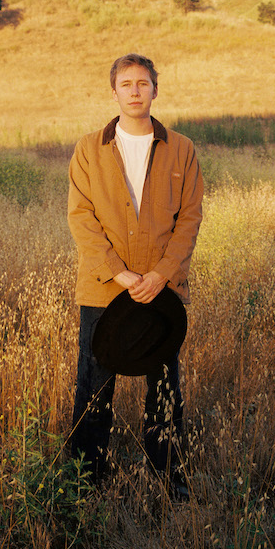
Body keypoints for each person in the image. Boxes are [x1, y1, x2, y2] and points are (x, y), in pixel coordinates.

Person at [68, 53, 203, 494]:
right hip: (105, 289)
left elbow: (189, 219)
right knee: (93, 386)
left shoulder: (181, 149)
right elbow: (81, 217)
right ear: (114, 91)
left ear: (155, 90)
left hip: (161, 291)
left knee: (165, 387)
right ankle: (85, 482)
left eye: (142, 83)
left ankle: (169, 480)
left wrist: (161, 275)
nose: (134, 91)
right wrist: (120, 274)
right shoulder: (89, 149)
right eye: (126, 84)